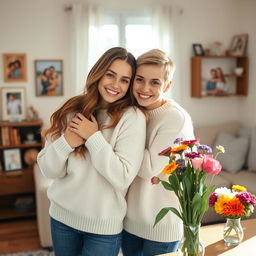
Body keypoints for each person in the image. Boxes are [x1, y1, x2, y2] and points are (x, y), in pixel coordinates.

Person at [37, 47, 146, 256]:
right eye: (110, 75)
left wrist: (93, 137)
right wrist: (67, 141)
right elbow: (49, 170)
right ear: (99, 73)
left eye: (125, 80)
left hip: (103, 229)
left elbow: (122, 177)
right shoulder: (71, 108)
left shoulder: (132, 118)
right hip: (62, 219)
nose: (115, 85)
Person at [122, 49, 194, 256]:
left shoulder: (174, 118)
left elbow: (149, 169)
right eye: (140, 79)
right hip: (130, 221)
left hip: (161, 226)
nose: (145, 88)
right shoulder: (133, 111)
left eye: (155, 82)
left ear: (168, 86)